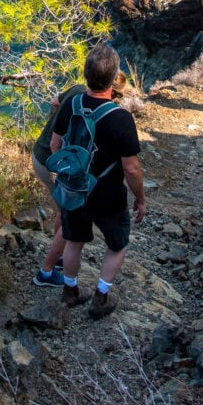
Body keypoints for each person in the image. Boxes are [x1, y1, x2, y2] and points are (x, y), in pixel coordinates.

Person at [51, 44, 146, 319]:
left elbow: (56, 146)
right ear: (114, 78)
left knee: (74, 239)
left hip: (74, 188)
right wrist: (140, 199)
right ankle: (101, 297)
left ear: (85, 74)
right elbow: (131, 169)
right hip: (108, 195)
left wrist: (69, 174)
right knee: (117, 244)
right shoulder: (121, 118)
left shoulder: (71, 104)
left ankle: (70, 291)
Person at [30, 72, 128, 288]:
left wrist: (56, 125)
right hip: (55, 163)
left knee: (64, 212)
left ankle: (60, 258)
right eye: (117, 95)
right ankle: (46, 272)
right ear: (111, 90)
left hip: (40, 154)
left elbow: (54, 102)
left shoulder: (76, 92)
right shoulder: (104, 111)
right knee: (69, 216)